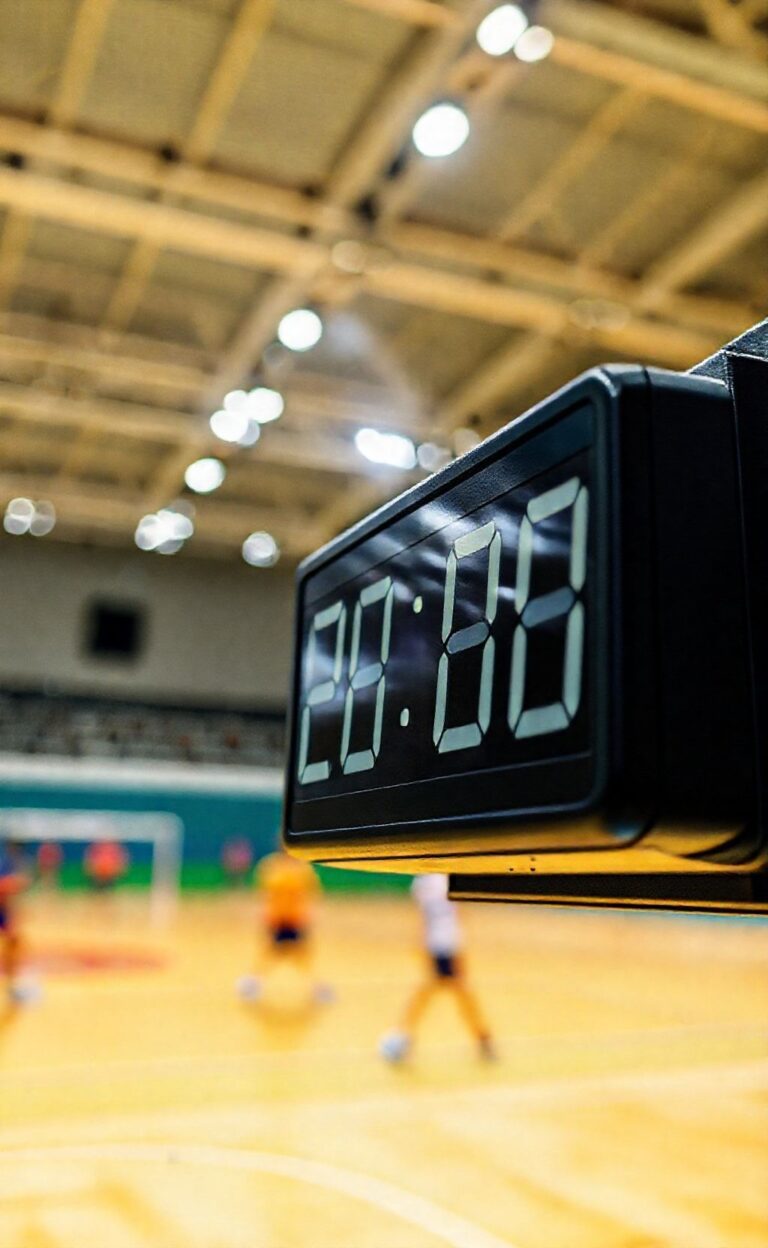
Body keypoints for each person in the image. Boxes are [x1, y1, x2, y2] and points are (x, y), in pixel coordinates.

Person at [379, 873, 496, 1063]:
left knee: (446, 990)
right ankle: (483, 1039)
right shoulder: (432, 881)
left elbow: (449, 915)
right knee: (448, 990)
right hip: (441, 944)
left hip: (446, 943)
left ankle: (402, 1036)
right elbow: (432, 917)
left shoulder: (430, 881)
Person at [237, 849, 331, 1005]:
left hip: (296, 919)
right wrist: (264, 913)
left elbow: (311, 893)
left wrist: (309, 914)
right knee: (273, 951)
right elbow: (264, 892)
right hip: (277, 918)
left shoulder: (303, 869)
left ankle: (317, 988)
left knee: (301, 954)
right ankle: (253, 982)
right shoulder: (271, 865)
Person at [0, 840, 36, 1004]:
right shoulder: (6, 862)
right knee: (13, 942)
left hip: (3, 910)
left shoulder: (12, 863)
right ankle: (12, 987)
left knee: (14, 943)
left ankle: (12, 987)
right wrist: (16, 883)